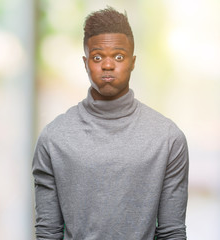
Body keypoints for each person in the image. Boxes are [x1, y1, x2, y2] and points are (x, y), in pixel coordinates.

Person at [32, 6, 189, 240]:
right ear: (85, 62)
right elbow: (48, 232)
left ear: (133, 62)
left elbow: (172, 232)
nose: (107, 65)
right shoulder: (54, 138)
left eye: (118, 56)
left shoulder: (167, 138)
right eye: (97, 57)